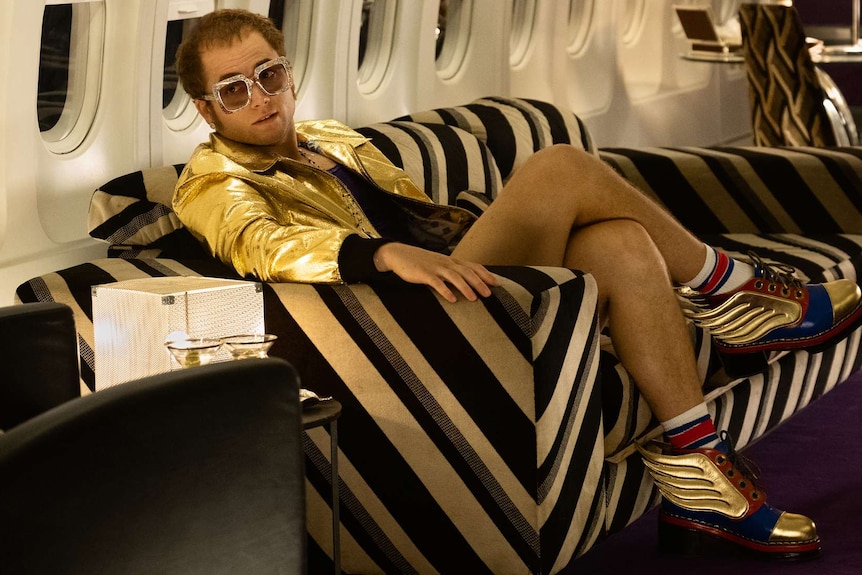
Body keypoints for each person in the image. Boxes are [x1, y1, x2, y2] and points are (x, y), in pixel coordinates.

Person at [173, 8, 862, 561]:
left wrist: (438, 236)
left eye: (270, 74)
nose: (261, 97)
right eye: (235, 89)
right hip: (409, 313)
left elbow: (417, 212)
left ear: (289, 73)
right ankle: (739, 292)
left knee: (620, 240)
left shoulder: (331, 137)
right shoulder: (210, 181)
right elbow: (260, 244)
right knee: (560, 165)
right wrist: (379, 256)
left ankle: (701, 471)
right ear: (208, 110)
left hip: (451, 266)